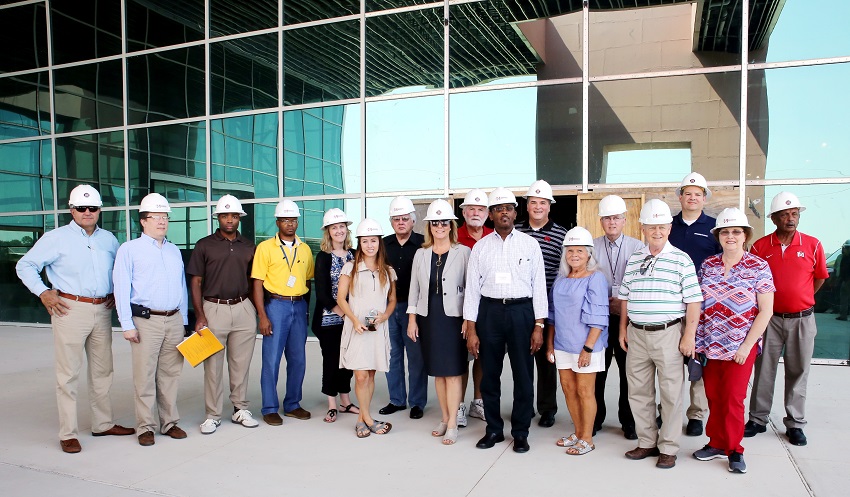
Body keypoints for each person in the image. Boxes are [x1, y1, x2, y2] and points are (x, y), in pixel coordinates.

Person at [16, 185, 134, 453]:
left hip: (102, 310)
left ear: (99, 210)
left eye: (92, 208)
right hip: (69, 309)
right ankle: (68, 433)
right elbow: (25, 265)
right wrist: (43, 292)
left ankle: (102, 424)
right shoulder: (56, 238)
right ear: (72, 210)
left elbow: (120, 271)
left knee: (103, 371)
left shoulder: (109, 240)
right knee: (68, 374)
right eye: (81, 208)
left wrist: (115, 292)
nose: (87, 212)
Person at [618, 199, 702, 469]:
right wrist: (623, 328)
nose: (657, 231)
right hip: (637, 334)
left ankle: (668, 447)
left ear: (669, 228)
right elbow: (625, 297)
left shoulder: (681, 260)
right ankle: (646, 442)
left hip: (669, 334)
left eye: (662, 226)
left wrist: (689, 336)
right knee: (638, 392)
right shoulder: (635, 259)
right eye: (651, 227)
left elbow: (694, 301)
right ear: (642, 228)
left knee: (670, 394)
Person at [464, 187, 547, 454]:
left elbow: (539, 287)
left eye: (508, 208)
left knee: (523, 375)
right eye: (498, 209)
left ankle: (521, 432)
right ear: (491, 214)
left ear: (515, 213)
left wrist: (539, 325)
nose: (504, 213)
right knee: (489, 375)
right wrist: (471, 328)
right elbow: (472, 290)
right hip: (489, 313)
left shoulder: (529, 244)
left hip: (522, 312)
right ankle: (494, 429)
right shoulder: (480, 248)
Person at [693, 208, 775, 474]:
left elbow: (766, 311)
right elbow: (698, 305)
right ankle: (716, 442)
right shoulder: (708, 265)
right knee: (713, 396)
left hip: (740, 346)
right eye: (725, 232)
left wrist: (746, 346)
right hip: (710, 344)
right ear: (718, 236)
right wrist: (696, 340)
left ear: (745, 235)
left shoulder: (758, 266)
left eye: (736, 232)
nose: (730, 236)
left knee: (733, 399)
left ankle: (735, 450)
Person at [745, 192, 828, 446]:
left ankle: (795, 423)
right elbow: (753, 281)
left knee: (798, 371)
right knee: (763, 369)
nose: (791, 219)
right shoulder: (760, 247)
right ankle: (758, 419)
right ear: (774, 218)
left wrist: (801, 299)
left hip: (802, 319)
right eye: (784, 215)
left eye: (794, 214)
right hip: (769, 319)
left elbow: (819, 278)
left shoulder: (813, 245)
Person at [114, 193, 189, 446]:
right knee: (144, 376)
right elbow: (121, 288)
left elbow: (181, 287)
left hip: (173, 319)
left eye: (165, 216)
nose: (162, 221)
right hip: (146, 322)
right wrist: (126, 324)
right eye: (156, 216)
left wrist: (184, 320)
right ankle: (145, 426)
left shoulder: (173, 250)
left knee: (170, 374)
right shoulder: (129, 250)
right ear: (143, 221)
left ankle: (169, 423)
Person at [187, 195, 259, 435]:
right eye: (225, 215)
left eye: (234, 216)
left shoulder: (249, 246)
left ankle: (240, 409)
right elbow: (196, 282)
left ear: (239, 218)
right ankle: (213, 415)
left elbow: (253, 281)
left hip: (243, 307)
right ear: (218, 217)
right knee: (213, 367)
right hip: (213, 308)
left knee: (241, 364)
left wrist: (255, 310)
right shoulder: (204, 245)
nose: (229, 220)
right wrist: (199, 315)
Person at [407, 200, 472, 445]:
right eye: (435, 222)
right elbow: (414, 289)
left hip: (454, 319)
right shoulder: (421, 254)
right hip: (429, 318)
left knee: (453, 372)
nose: (440, 226)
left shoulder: (463, 252)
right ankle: (444, 418)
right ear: (429, 226)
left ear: (451, 225)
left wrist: (468, 319)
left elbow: (471, 289)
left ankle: (453, 423)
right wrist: (412, 319)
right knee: (438, 373)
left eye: (444, 222)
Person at [666, 172, 722, 437]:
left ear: (704, 198)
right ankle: (668, 410)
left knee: (698, 361)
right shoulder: (668, 226)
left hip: (702, 306)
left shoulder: (714, 228)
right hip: (670, 304)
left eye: (697, 194)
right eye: (687, 193)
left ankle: (697, 414)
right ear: (680, 197)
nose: (692, 198)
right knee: (670, 363)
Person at [251, 199, 314, 426]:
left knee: (298, 359)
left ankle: (293, 404)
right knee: (271, 359)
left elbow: (307, 280)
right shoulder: (265, 248)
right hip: (275, 306)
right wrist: (262, 315)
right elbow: (257, 283)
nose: (290, 224)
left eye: (293, 220)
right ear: (277, 222)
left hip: (298, 305)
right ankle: (269, 407)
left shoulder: (305, 249)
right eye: (285, 220)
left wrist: (305, 311)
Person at [547, 227, 609, 456]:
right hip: (562, 344)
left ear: (589, 254)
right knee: (568, 389)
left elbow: (599, 317)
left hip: (585, 345)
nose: (574, 255)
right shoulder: (561, 279)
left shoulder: (595, 278)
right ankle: (578, 432)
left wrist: (587, 348)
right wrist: (550, 344)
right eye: (570, 250)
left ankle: (587, 439)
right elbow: (552, 314)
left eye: (579, 251)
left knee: (584, 391)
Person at [337, 218, 397, 438]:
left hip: (377, 329)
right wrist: (354, 319)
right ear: (359, 243)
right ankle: (370, 419)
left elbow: (392, 300)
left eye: (373, 240)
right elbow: (341, 298)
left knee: (370, 375)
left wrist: (385, 316)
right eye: (365, 241)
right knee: (360, 376)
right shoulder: (350, 268)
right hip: (357, 328)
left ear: (379, 242)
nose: (369, 245)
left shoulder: (388, 271)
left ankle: (361, 420)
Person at [516, 180, 568, 428]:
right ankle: (524, 406)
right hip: (520, 305)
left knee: (547, 359)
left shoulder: (561, 234)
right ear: (527, 206)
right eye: (534, 202)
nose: (538, 207)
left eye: (543, 203)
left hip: (548, 307)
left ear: (549, 206)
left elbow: (565, 272)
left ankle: (547, 408)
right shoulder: (515, 230)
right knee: (522, 359)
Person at [592, 195, 642, 440]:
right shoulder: (591, 247)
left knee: (628, 373)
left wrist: (622, 304)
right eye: (607, 218)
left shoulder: (638, 248)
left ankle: (628, 421)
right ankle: (595, 418)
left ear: (624, 220)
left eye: (616, 218)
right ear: (601, 221)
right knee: (598, 371)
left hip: (627, 318)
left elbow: (641, 284)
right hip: (599, 320)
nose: (612, 222)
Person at [380, 196, 428, 419]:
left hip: (414, 309)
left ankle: (417, 402)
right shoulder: (383, 245)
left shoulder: (423, 244)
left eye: (405, 219)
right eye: (396, 219)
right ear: (391, 222)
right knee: (392, 355)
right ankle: (397, 400)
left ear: (413, 220)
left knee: (416, 357)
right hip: (389, 307)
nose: (401, 222)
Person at [312, 208, 360, 423]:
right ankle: (332, 404)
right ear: (328, 232)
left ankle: (345, 401)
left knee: (348, 361)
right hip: (329, 320)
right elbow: (322, 293)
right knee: (331, 361)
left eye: (342, 227)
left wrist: (351, 316)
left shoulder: (355, 254)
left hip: (351, 319)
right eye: (334, 228)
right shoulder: (323, 257)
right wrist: (343, 313)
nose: (339, 231)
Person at [456, 189, 492, 425]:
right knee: (460, 358)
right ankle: (458, 405)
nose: (476, 213)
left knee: (482, 357)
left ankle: (477, 403)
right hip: (458, 309)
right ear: (464, 212)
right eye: (471, 209)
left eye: (480, 209)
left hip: (487, 309)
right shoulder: (454, 236)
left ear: (487, 213)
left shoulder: (494, 236)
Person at [836, 240, 850, 321]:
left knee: (844, 298)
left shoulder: (845, 258)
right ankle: (843, 315)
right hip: (845, 280)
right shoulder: (843, 257)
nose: (843, 249)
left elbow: (843, 270)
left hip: (846, 281)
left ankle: (843, 315)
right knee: (844, 298)